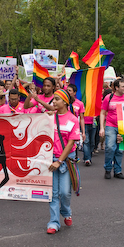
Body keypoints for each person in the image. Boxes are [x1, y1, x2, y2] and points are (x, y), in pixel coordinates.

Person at [47, 89, 80, 234]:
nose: (53, 102)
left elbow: (70, 143)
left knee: (65, 192)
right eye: (53, 99)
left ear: (65, 102)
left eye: (56, 99)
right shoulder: (48, 118)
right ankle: (54, 222)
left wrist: (59, 161)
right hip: (50, 161)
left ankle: (66, 212)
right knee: (53, 193)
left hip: (66, 162)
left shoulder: (73, 119)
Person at [99, 79, 124, 180]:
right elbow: (102, 113)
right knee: (110, 147)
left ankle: (118, 170)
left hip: (123, 127)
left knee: (119, 149)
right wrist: (101, 128)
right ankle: (108, 168)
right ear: (116, 88)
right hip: (110, 125)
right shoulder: (109, 97)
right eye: (123, 87)